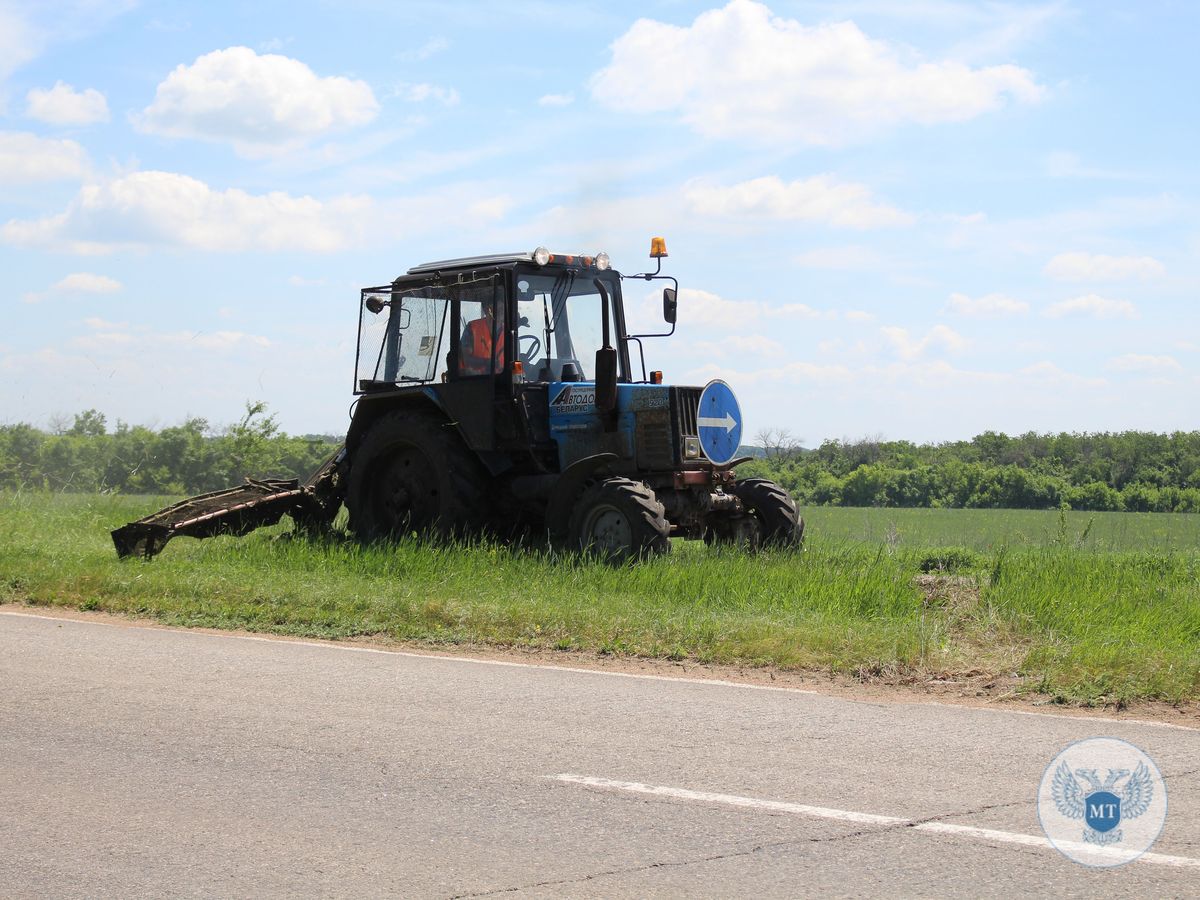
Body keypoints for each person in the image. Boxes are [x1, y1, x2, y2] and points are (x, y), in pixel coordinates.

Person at [459, 302, 505, 376]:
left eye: (502, 309)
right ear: (486, 309)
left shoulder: (510, 334)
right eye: (495, 309)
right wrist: (486, 362)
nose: (499, 313)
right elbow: (466, 359)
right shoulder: (472, 328)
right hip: (472, 381)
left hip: (501, 383)